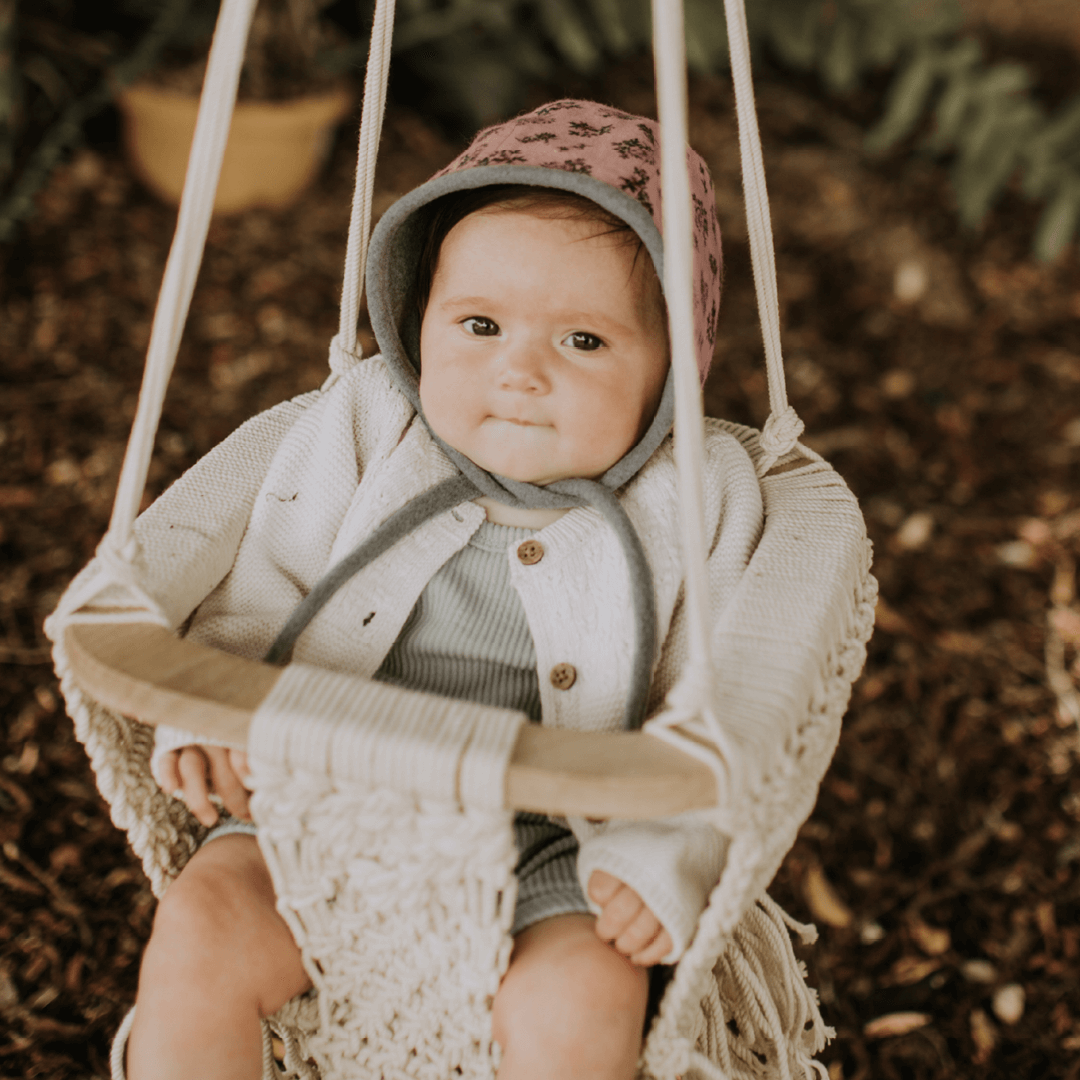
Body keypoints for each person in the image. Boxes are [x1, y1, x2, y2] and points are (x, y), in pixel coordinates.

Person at [124, 99, 764, 1080]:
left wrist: (661, 858)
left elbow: (724, 702)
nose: (518, 372)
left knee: (584, 997)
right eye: (479, 324)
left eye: (583, 342)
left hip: (556, 841)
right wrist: (217, 707)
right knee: (203, 927)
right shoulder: (371, 422)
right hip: (321, 799)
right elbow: (262, 578)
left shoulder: (696, 492)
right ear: (419, 321)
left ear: (675, 367)